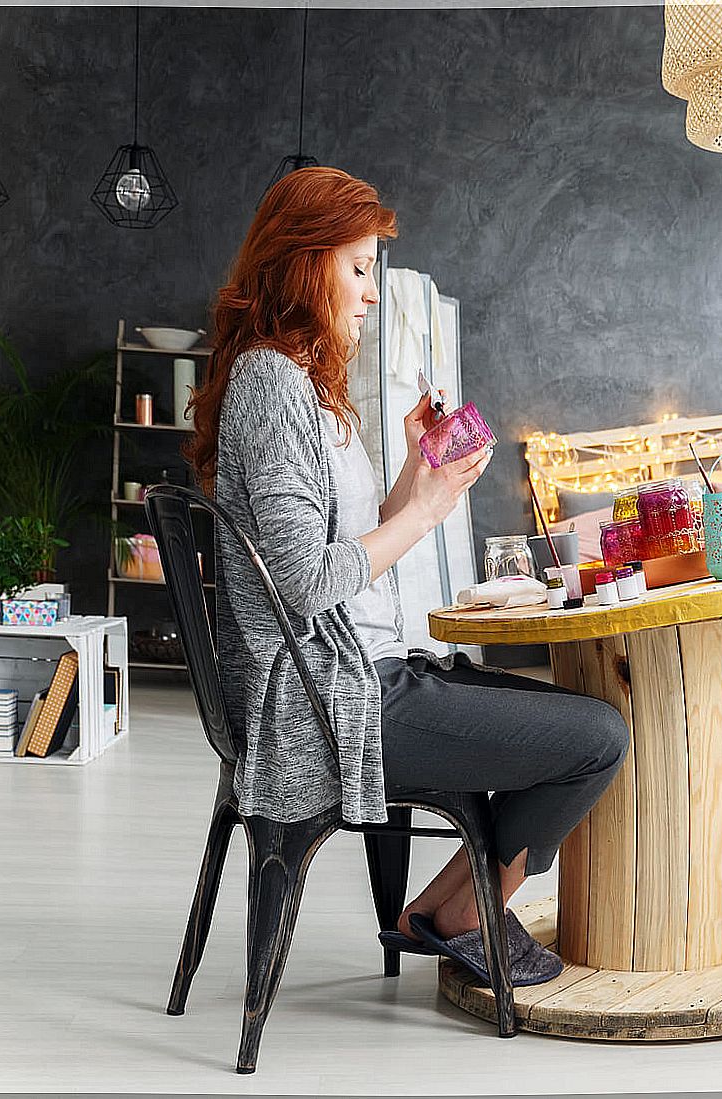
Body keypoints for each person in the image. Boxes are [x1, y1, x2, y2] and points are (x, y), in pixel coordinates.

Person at [183, 167, 628, 981]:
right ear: (302, 261)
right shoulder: (270, 383)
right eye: (357, 268)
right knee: (598, 737)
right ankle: (461, 910)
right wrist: (423, 513)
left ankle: (447, 907)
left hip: (362, 681)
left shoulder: (301, 387)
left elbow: (349, 543)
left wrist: (423, 476)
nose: (371, 293)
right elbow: (305, 582)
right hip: (333, 706)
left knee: (577, 722)